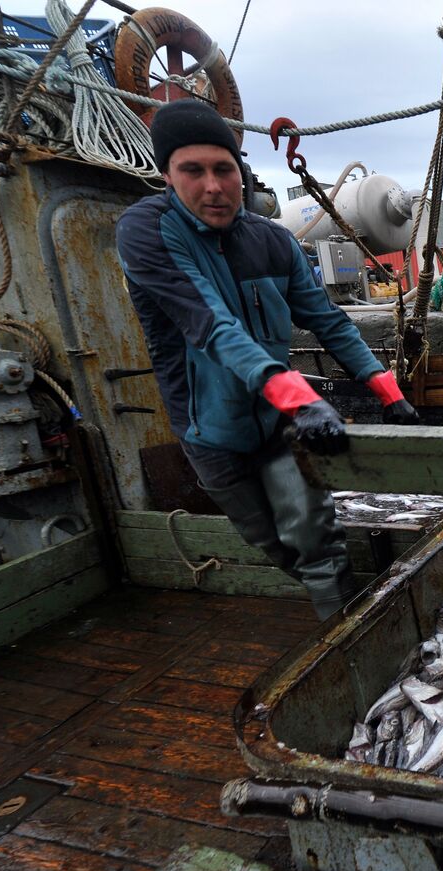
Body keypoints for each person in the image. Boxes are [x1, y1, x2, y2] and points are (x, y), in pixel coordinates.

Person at [115, 99, 420, 621]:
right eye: (193, 170)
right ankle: (347, 612)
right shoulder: (146, 231)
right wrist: (301, 397)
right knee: (275, 546)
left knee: (317, 545)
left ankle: (349, 638)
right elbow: (211, 325)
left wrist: (389, 394)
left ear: (242, 172)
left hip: (280, 426)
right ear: (167, 175)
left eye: (223, 169)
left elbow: (329, 321)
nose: (212, 185)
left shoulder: (274, 240)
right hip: (211, 431)